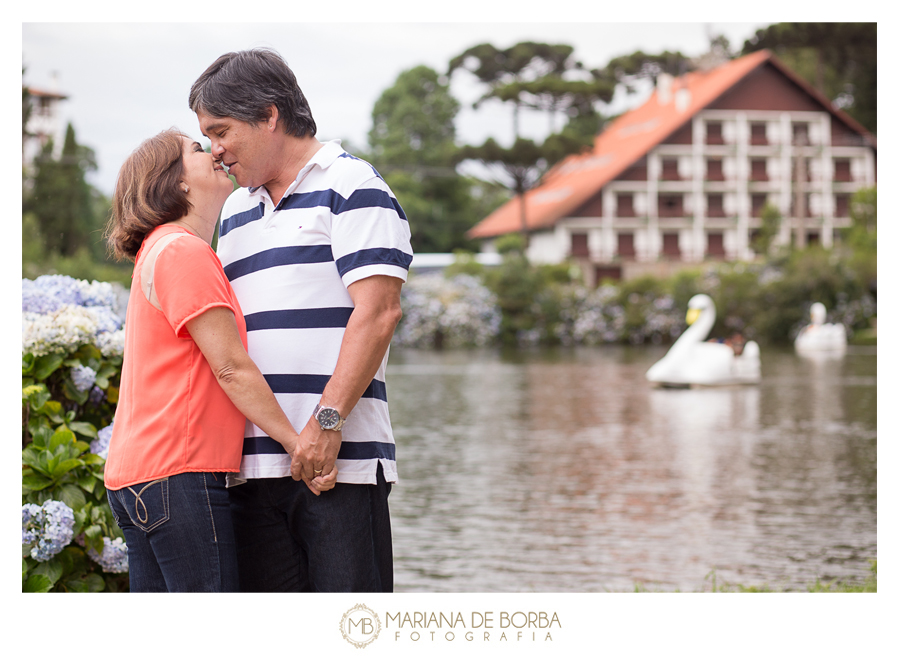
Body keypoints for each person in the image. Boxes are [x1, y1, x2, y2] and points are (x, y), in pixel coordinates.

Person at [188, 48, 412, 592]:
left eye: (221, 131)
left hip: (337, 466)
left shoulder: (354, 186)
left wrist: (323, 429)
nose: (214, 153)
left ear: (269, 115)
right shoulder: (236, 210)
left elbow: (379, 314)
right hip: (250, 468)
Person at [103, 129, 336, 592]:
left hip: (138, 476)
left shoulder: (160, 249)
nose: (213, 152)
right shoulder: (184, 250)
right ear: (175, 182)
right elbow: (230, 367)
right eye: (196, 148)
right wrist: (298, 443)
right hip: (178, 473)